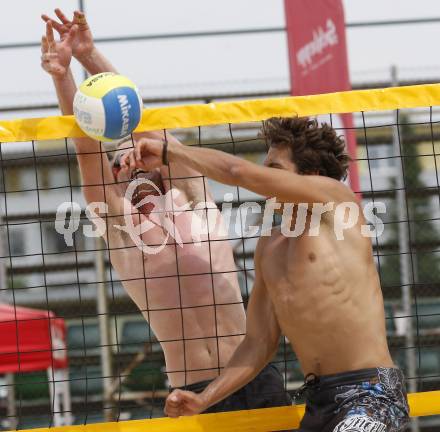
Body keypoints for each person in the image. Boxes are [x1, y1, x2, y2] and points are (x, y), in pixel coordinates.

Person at [40, 9, 292, 413]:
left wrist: (89, 56)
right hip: (192, 394)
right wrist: (61, 75)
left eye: (137, 152)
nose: (131, 161)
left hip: (253, 376)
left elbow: (145, 122)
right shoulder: (120, 229)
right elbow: (85, 145)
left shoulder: (194, 202)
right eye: (121, 160)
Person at [128, 117, 410, 431]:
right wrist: (204, 399)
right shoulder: (270, 245)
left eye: (274, 169)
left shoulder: (337, 204)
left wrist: (169, 152)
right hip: (320, 402)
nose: (264, 180)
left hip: (370, 390)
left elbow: (238, 172)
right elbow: (259, 343)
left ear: (311, 177)